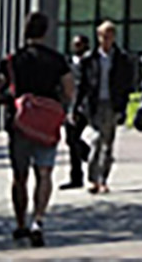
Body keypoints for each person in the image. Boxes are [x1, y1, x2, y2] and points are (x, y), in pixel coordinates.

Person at [0, 10, 75, 249]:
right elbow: (69, 90)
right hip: (47, 124)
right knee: (45, 173)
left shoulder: (11, 60)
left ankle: (21, 223)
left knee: (20, 177)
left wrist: (9, 98)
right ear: (45, 31)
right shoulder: (57, 60)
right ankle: (39, 219)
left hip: (20, 124)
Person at [78, 20, 136, 194]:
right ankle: (92, 178)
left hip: (112, 103)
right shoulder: (89, 59)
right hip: (95, 104)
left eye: (109, 36)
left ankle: (103, 179)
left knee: (107, 144)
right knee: (95, 141)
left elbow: (126, 84)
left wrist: (124, 107)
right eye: (103, 36)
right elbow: (82, 84)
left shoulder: (121, 59)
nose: (106, 40)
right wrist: (76, 107)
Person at [62, 34, 91, 191]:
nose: (77, 48)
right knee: (71, 140)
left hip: (83, 106)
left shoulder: (90, 62)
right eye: (75, 45)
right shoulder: (69, 62)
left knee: (73, 139)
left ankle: (90, 158)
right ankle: (77, 174)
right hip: (70, 105)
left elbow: (84, 86)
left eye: (80, 45)